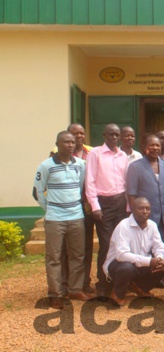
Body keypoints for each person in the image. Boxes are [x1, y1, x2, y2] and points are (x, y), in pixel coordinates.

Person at [34, 131, 90, 309]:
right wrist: (50, 209)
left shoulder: (81, 165)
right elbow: (37, 192)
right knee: (54, 257)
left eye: (72, 142)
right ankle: (55, 294)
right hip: (54, 220)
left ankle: (75, 289)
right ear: (57, 144)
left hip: (76, 217)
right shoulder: (46, 166)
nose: (70, 145)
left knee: (77, 256)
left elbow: (81, 186)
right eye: (66, 142)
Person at [85, 123, 129, 298]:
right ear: (104, 135)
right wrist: (95, 206)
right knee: (105, 244)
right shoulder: (95, 153)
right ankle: (102, 282)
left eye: (117, 134)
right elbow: (89, 181)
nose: (114, 137)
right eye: (111, 134)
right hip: (103, 205)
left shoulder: (123, 155)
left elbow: (126, 182)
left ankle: (117, 281)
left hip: (121, 204)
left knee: (120, 243)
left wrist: (127, 207)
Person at [50, 123, 95, 293]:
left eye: (82, 133)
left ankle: (83, 282)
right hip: (64, 208)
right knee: (64, 248)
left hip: (86, 206)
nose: (79, 136)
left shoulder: (91, 152)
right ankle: (64, 282)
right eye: (75, 133)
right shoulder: (56, 153)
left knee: (85, 246)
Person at [103, 197, 164, 307]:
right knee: (127, 268)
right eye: (141, 208)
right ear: (133, 209)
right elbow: (121, 255)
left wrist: (159, 259)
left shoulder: (152, 225)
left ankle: (140, 288)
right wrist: (149, 261)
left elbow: (159, 247)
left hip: (140, 264)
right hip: (118, 265)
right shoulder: (123, 226)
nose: (145, 212)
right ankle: (118, 293)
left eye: (147, 209)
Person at [127, 134, 164, 246]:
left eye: (157, 145)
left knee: (162, 246)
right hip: (145, 216)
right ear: (145, 147)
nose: (155, 148)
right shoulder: (135, 167)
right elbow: (131, 194)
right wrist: (136, 215)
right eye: (152, 145)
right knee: (145, 246)